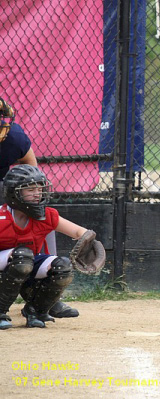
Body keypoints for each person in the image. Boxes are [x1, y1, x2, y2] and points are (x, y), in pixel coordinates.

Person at [0, 97, 78, 318]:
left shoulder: (12, 137)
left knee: (40, 212)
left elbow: (31, 168)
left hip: (3, 184)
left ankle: (48, 294)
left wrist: (26, 196)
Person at [0, 165, 102, 329]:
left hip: (25, 261)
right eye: (30, 189)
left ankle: (36, 311)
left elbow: (79, 232)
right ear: (14, 193)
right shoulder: (2, 218)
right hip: (10, 262)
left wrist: (91, 241)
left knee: (63, 267)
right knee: (23, 256)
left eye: (39, 189)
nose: (37, 193)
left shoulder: (45, 215)